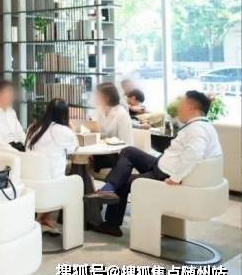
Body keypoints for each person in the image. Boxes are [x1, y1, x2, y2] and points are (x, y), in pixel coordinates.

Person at [87, 90, 222, 237]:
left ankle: (112, 224)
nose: (178, 109)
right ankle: (109, 187)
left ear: (192, 108)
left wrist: (176, 178)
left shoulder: (197, 129)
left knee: (124, 182)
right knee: (129, 151)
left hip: (165, 174)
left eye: (181, 105)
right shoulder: (201, 126)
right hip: (161, 165)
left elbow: (194, 154)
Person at [24, 98, 78, 233]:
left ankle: (43, 218)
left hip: (30, 183)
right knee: (76, 180)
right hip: (51, 187)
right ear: (64, 114)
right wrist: (71, 127)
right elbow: (74, 147)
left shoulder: (33, 127)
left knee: (53, 171)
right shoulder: (61, 130)